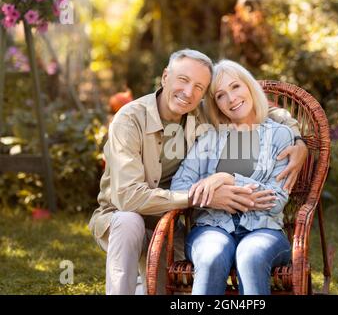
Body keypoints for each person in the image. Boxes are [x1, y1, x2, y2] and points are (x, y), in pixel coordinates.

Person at [88, 49, 308, 295]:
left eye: (199, 87)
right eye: (182, 80)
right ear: (165, 77)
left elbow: (257, 110)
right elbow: (128, 198)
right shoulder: (129, 120)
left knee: (179, 280)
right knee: (131, 222)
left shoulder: (199, 112)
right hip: (125, 215)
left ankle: (144, 287)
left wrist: (299, 142)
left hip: (170, 222)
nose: (188, 92)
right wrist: (202, 197)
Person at [170, 59, 298, 295]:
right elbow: (180, 186)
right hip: (211, 227)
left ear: (249, 87)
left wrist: (226, 179)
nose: (231, 98)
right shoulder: (209, 138)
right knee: (211, 255)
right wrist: (212, 197)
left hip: (264, 230)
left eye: (235, 87)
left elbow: (276, 199)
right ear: (216, 104)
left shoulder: (280, 135)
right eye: (220, 95)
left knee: (250, 255)